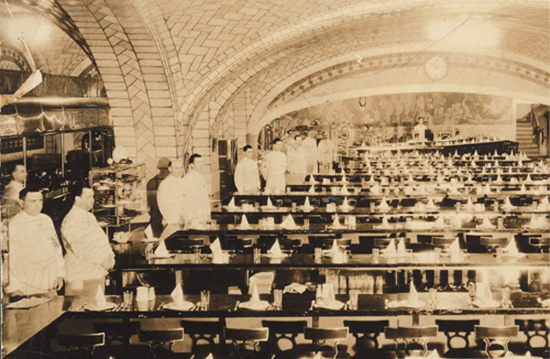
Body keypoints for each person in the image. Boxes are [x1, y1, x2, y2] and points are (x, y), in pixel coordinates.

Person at [5, 187, 64, 298]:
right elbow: (9, 260)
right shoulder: (14, 225)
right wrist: (13, 288)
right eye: (33, 201)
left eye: (40, 201)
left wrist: (59, 274)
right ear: (22, 203)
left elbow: (56, 248)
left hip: (48, 284)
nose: (38, 205)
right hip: (26, 287)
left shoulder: (46, 220)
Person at [61, 184, 115, 298]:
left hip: (95, 273)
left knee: (95, 311)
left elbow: (101, 239)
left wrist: (110, 255)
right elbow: (82, 247)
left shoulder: (89, 217)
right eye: (89, 197)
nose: (93, 200)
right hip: (79, 276)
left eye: (93, 197)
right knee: (80, 311)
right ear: (77, 199)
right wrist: (102, 260)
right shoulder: (71, 220)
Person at [157, 160, 185, 239]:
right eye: (177, 168)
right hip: (171, 222)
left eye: (181, 168)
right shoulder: (165, 184)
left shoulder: (183, 182)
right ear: (170, 169)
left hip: (183, 222)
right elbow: (163, 205)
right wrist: (176, 219)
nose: (180, 170)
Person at [182, 154, 211, 229]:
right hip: (193, 216)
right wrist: (189, 217)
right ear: (192, 165)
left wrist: (208, 214)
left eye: (202, 162)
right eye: (198, 162)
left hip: (202, 215)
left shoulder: (202, 178)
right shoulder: (187, 179)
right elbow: (186, 199)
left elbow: (205, 198)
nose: (201, 165)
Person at [146, 158, 171, 237]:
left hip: (155, 218)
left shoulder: (151, 183)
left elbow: (149, 206)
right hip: (167, 219)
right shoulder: (171, 183)